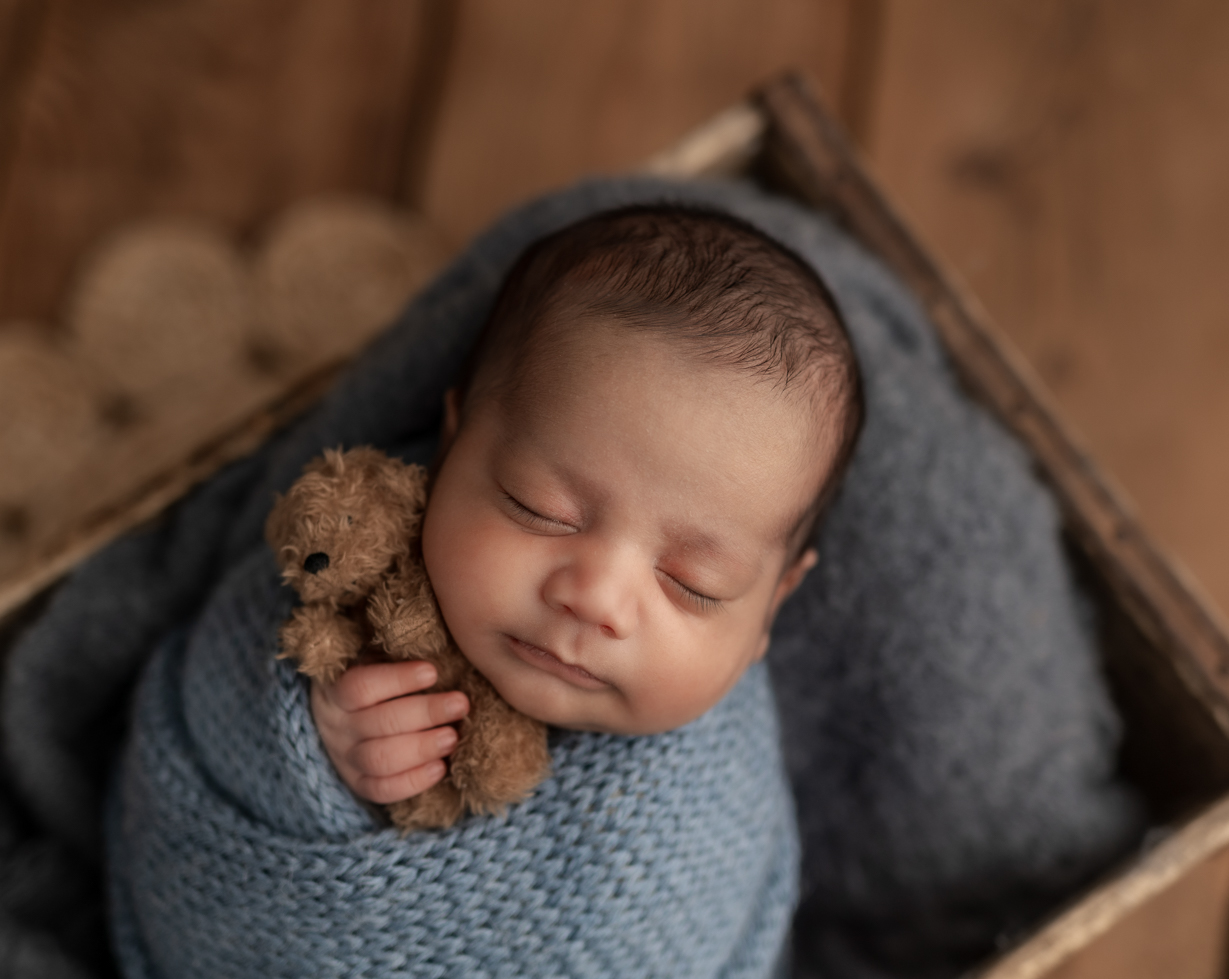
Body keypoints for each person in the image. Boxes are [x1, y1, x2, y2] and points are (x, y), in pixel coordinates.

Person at [309, 204, 865, 807]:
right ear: (451, 444)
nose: (596, 599)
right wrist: (315, 748)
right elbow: (205, 718)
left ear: (772, 605)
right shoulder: (354, 580)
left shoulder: (724, 791)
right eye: (542, 509)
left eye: (693, 584)